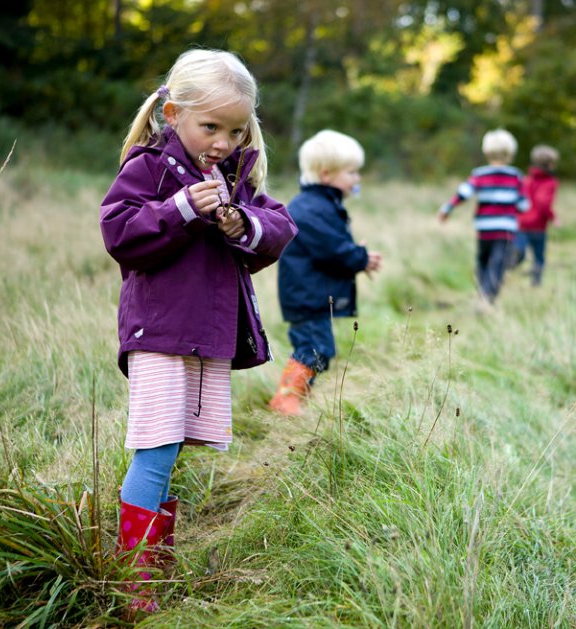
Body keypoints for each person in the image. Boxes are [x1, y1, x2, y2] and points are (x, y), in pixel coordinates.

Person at [99, 48, 296, 612]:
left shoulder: (233, 175)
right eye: (210, 127)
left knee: (174, 448)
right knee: (156, 449)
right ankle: (134, 584)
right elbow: (121, 234)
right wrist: (181, 208)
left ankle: (152, 567)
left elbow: (280, 227)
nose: (223, 142)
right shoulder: (151, 169)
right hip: (159, 334)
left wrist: (242, 222)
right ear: (172, 114)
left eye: (235, 130)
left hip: (202, 338)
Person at [269, 130, 382, 416]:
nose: (357, 179)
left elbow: (333, 247)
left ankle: (292, 397)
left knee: (318, 347)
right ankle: (287, 398)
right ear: (327, 174)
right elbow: (332, 250)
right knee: (315, 347)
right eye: (352, 173)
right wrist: (361, 258)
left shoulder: (321, 205)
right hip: (307, 296)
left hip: (310, 293)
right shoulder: (311, 209)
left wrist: (357, 256)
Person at [438, 128, 529, 304]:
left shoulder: (479, 174)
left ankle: (482, 292)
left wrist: (446, 209)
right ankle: (487, 298)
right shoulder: (515, 176)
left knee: (483, 261)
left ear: (486, 151)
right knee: (498, 263)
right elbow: (523, 205)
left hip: (484, 228)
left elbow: (464, 193)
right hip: (504, 229)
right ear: (510, 153)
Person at [513, 144, 559, 286]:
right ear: (550, 164)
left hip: (521, 224)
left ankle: (508, 265)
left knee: (519, 252)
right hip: (538, 226)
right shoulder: (550, 182)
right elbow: (543, 203)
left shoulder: (525, 180)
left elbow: (518, 200)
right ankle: (536, 284)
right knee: (539, 258)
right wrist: (553, 217)